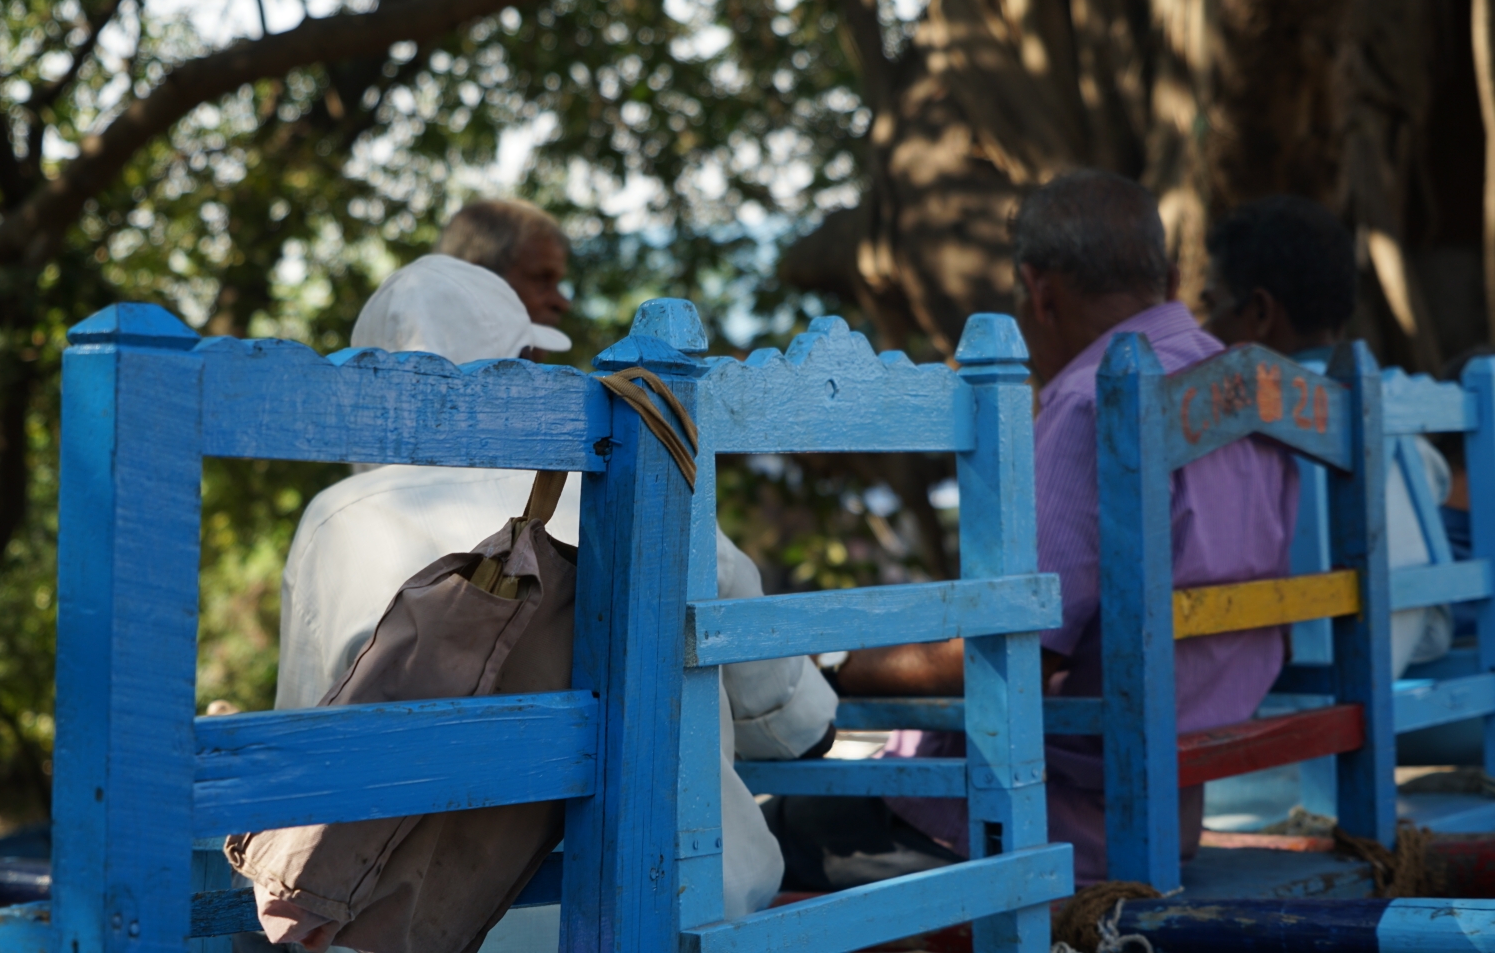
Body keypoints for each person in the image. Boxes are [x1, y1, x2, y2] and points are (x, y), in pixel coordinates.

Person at [272, 200, 836, 948]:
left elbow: (300, 765)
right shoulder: (645, 486)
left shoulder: (337, 520)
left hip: (445, 934)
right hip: (689, 914)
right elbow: (797, 726)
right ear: (528, 366)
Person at [764, 171, 1300, 888]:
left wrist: (825, 663)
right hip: (1178, 801)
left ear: (1037, 289)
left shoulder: (1092, 402)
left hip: (1040, 817)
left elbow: (1013, 654)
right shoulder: (1257, 391)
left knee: (747, 851)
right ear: (1169, 276)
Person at [1201, 194, 1453, 678]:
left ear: (1258, 312)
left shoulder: (1238, 432)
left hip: (1294, 700)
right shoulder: (1396, 401)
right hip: (1392, 668)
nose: (1205, 329)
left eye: (1210, 305)